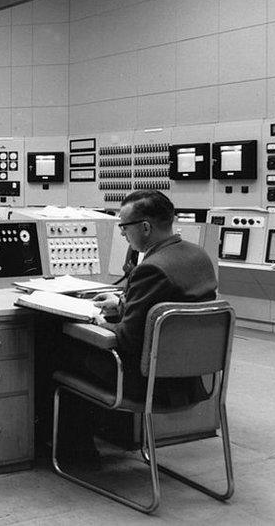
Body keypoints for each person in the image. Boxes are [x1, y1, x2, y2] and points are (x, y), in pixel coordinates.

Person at [57, 190, 217, 461]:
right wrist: (122, 303)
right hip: (191, 379)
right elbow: (168, 303)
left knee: (59, 348)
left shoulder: (151, 268)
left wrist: (94, 320)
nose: (122, 234)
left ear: (145, 227)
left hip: (150, 383)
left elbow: (127, 339)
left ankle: (77, 454)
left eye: (124, 227)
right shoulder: (197, 255)